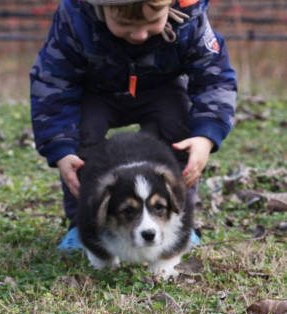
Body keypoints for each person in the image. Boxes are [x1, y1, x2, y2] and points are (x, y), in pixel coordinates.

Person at [30, 0, 237, 250]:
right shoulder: (75, 18)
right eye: (124, 24)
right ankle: (83, 224)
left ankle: (178, 221)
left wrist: (207, 135)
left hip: (161, 89)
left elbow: (215, 79)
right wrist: (60, 147)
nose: (139, 34)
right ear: (101, 9)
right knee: (82, 136)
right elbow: (53, 81)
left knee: (178, 130)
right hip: (95, 91)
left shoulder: (190, 18)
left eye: (152, 22)